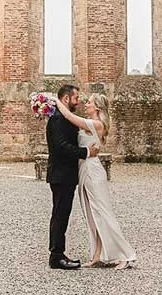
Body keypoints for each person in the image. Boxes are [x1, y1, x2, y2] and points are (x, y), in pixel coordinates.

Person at [53, 92, 137, 269]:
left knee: (103, 212)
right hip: (84, 170)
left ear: (97, 107)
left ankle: (125, 255)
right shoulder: (90, 123)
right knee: (92, 214)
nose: (86, 104)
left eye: (89, 103)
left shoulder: (97, 124)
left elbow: (69, 116)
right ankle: (97, 255)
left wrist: (54, 101)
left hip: (92, 171)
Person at [46, 83, 98, 270]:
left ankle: (58, 253)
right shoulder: (58, 119)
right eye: (76, 98)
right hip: (61, 175)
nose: (78, 101)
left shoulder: (63, 117)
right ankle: (56, 256)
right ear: (66, 99)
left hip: (65, 175)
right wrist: (85, 152)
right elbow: (61, 148)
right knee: (60, 215)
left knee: (62, 215)